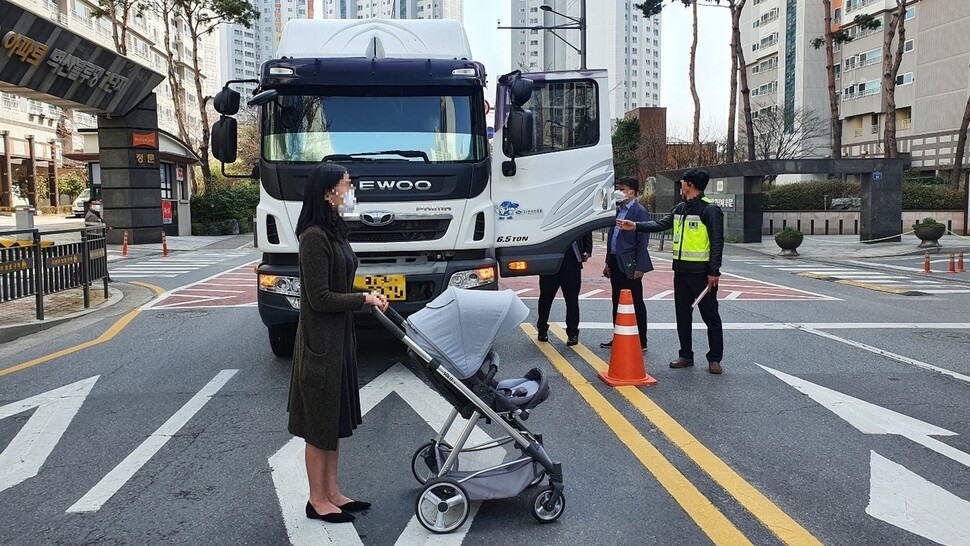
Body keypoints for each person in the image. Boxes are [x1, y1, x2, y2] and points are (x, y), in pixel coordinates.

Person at [288, 163, 389, 524]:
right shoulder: (313, 237)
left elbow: (338, 289)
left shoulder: (333, 231)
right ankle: (317, 500)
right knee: (318, 425)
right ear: (329, 191)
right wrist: (363, 299)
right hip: (321, 346)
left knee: (333, 420)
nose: (352, 191)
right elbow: (319, 298)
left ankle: (333, 493)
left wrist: (366, 296)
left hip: (338, 343)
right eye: (348, 185)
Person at [617, 168, 724, 374]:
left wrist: (714, 272)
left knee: (710, 316)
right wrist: (636, 226)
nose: (681, 185)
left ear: (690, 185)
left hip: (702, 273)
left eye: (683, 182)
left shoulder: (709, 210)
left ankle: (714, 358)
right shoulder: (681, 208)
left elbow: (717, 242)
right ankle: (686, 355)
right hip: (681, 271)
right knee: (683, 315)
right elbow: (661, 224)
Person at [601, 176, 652, 351]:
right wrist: (608, 262)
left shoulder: (639, 211)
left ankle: (642, 340)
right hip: (615, 261)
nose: (619, 192)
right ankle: (619, 335)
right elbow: (611, 238)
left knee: (635, 300)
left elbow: (642, 241)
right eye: (618, 188)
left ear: (633, 192)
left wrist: (640, 266)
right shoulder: (617, 210)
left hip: (630, 261)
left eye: (622, 189)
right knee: (617, 300)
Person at [536, 232, 593, 346]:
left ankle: (573, 333)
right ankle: (542, 329)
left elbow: (586, 229)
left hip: (572, 263)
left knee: (572, 301)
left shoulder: (577, 214)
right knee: (545, 299)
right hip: (549, 264)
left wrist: (587, 249)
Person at [84, 199, 112, 282]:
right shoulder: (91, 216)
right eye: (95, 203)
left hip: (98, 240)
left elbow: (98, 227)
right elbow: (92, 230)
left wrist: (105, 229)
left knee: (96, 260)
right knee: (92, 260)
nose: (98, 205)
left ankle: (105, 277)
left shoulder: (95, 215)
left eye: (98, 203)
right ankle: (78, 275)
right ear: (90, 204)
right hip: (95, 241)